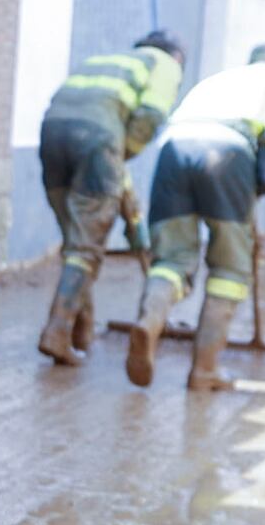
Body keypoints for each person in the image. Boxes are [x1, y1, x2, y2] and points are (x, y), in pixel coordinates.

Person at [122, 50, 265, 390]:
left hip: (174, 150)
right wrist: (252, 202)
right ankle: (205, 369)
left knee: (172, 259)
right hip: (227, 152)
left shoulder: (220, 79)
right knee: (230, 269)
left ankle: (149, 321)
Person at [33, 30, 188, 366]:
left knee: (76, 240)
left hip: (51, 134)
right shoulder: (165, 64)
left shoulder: (107, 62)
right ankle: (56, 331)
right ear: (176, 57)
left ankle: (81, 333)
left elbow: (116, 171)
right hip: (96, 139)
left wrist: (135, 227)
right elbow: (151, 115)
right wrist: (121, 154)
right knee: (85, 248)